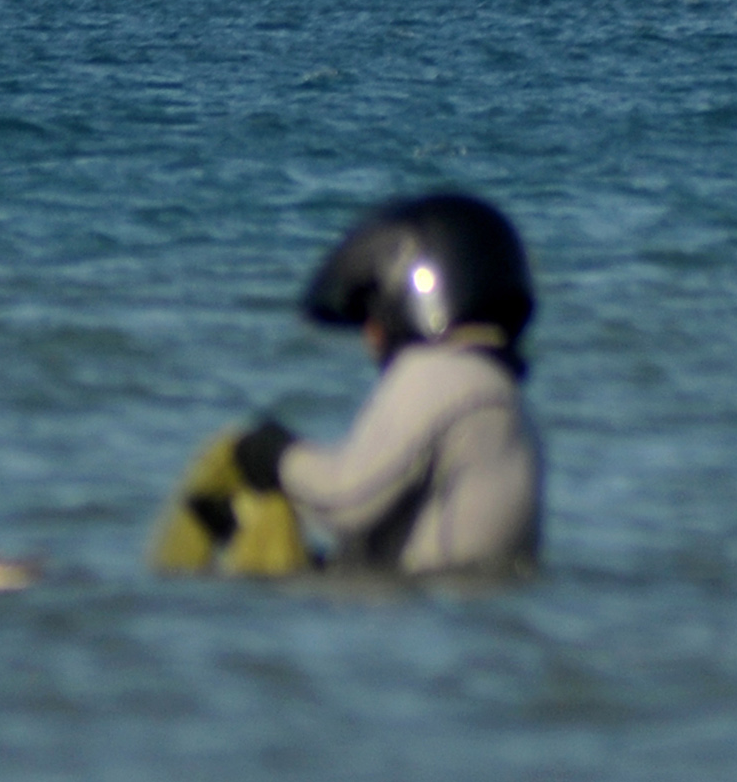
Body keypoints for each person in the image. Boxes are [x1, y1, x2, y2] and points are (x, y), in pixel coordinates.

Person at [226, 190, 545, 574]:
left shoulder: (437, 373)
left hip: (432, 614)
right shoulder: (498, 389)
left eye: (374, 314)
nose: (369, 336)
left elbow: (347, 498)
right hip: (465, 615)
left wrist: (272, 455)